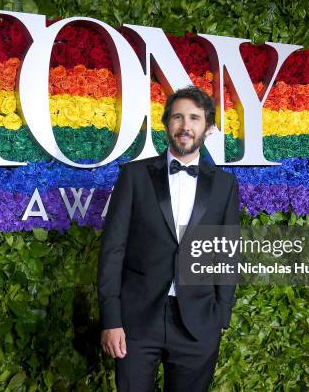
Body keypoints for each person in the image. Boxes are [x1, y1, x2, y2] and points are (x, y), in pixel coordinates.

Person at [98, 86, 240, 391]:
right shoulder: (134, 176)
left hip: (199, 323)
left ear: (208, 128)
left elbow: (227, 256)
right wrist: (111, 319)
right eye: (177, 117)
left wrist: (220, 317)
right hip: (136, 320)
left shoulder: (225, 186)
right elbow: (112, 250)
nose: (185, 126)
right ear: (166, 124)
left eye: (194, 118)